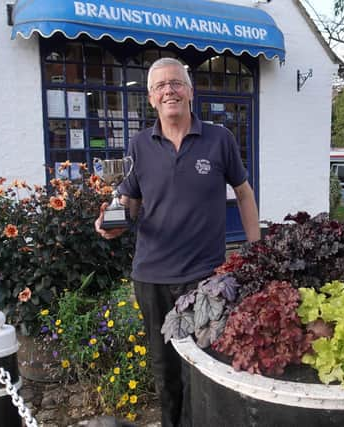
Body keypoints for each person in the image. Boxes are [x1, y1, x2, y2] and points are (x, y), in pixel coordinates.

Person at [95, 57, 260, 427]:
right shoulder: (139, 145)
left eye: (176, 83)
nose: (168, 90)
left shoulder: (220, 139)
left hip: (204, 276)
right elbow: (130, 202)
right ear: (151, 99)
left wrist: (254, 251)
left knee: (202, 365)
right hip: (151, 277)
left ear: (190, 90)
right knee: (163, 367)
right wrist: (113, 221)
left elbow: (244, 194)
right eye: (159, 86)